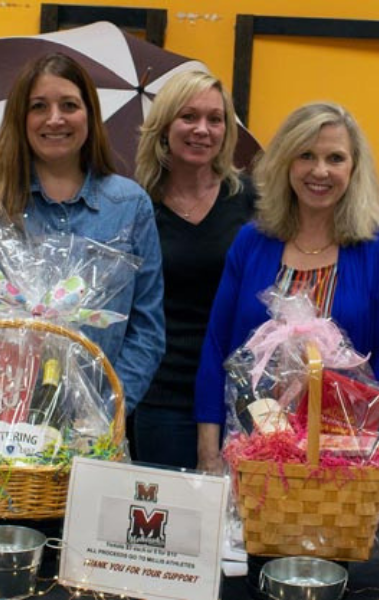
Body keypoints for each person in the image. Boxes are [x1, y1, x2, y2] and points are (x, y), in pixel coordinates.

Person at [0, 53, 165, 416]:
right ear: (21, 117)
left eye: (69, 105)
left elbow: (146, 328)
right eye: (39, 106)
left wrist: (107, 408)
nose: (55, 119)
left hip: (91, 423)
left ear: (90, 115)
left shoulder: (130, 206)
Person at [194, 101, 379, 474]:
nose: (320, 171)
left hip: (341, 460)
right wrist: (208, 452)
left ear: (354, 168)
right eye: (306, 155)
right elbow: (217, 348)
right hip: (246, 450)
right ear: (285, 163)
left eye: (336, 158)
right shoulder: (251, 241)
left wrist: (352, 457)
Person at [133, 70, 256, 469]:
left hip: (241, 396)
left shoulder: (254, 201)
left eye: (215, 119)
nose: (202, 129)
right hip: (161, 396)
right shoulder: (136, 204)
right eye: (188, 116)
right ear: (164, 125)